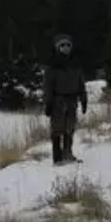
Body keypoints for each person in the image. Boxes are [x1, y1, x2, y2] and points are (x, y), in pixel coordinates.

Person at [43, 33, 88, 164]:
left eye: (68, 45)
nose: (66, 48)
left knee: (70, 127)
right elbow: (47, 86)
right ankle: (57, 157)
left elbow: (81, 83)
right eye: (62, 45)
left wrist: (84, 98)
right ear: (58, 47)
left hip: (72, 100)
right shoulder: (52, 66)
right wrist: (48, 103)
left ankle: (68, 153)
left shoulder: (76, 64)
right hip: (58, 100)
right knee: (57, 128)